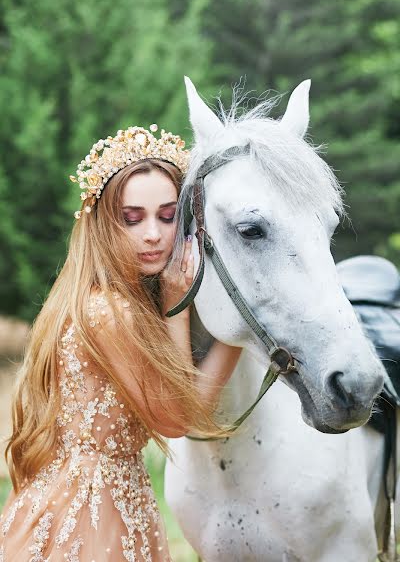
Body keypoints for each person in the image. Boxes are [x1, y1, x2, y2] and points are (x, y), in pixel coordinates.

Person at [0, 124, 242, 561]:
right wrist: (214, 325)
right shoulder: (112, 312)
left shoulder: (100, 299)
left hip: (101, 492)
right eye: (133, 218)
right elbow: (175, 420)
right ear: (102, 224)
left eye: (168, 216)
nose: (153, 234)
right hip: (94, 507)